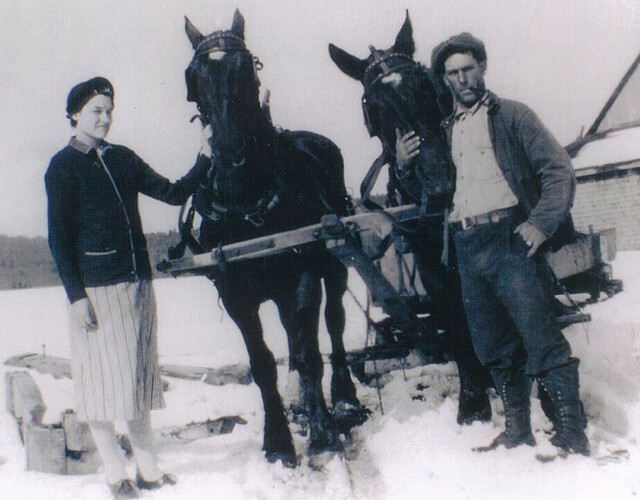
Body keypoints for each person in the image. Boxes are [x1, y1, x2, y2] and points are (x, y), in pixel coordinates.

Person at [397, 34, 589, 456]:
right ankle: (518, 430)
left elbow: (559, 171)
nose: (462, 78)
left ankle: (573, 436)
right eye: (453, 73)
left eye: (468, 68)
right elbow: (432, 191)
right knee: (493, 345)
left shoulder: (513, 116)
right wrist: (404, 164)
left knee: (541, 337)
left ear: (482, 68)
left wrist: (539, 224)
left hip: (510, 240)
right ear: (444, 80)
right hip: (467, 245)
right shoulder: (445, 130)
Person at [45, 76, 212, 498]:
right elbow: (59, 240)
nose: (104, 118)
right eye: (96, 111)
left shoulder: (123, 159)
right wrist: (76, 297)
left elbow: (173, 194)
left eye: (109, 110)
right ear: (75, 115)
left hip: (138, 286)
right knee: (100, 387)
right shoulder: (62, 167)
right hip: (98, 294)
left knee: (137, 382)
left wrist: (205, 158)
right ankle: (115, 476)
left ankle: (149, 471)